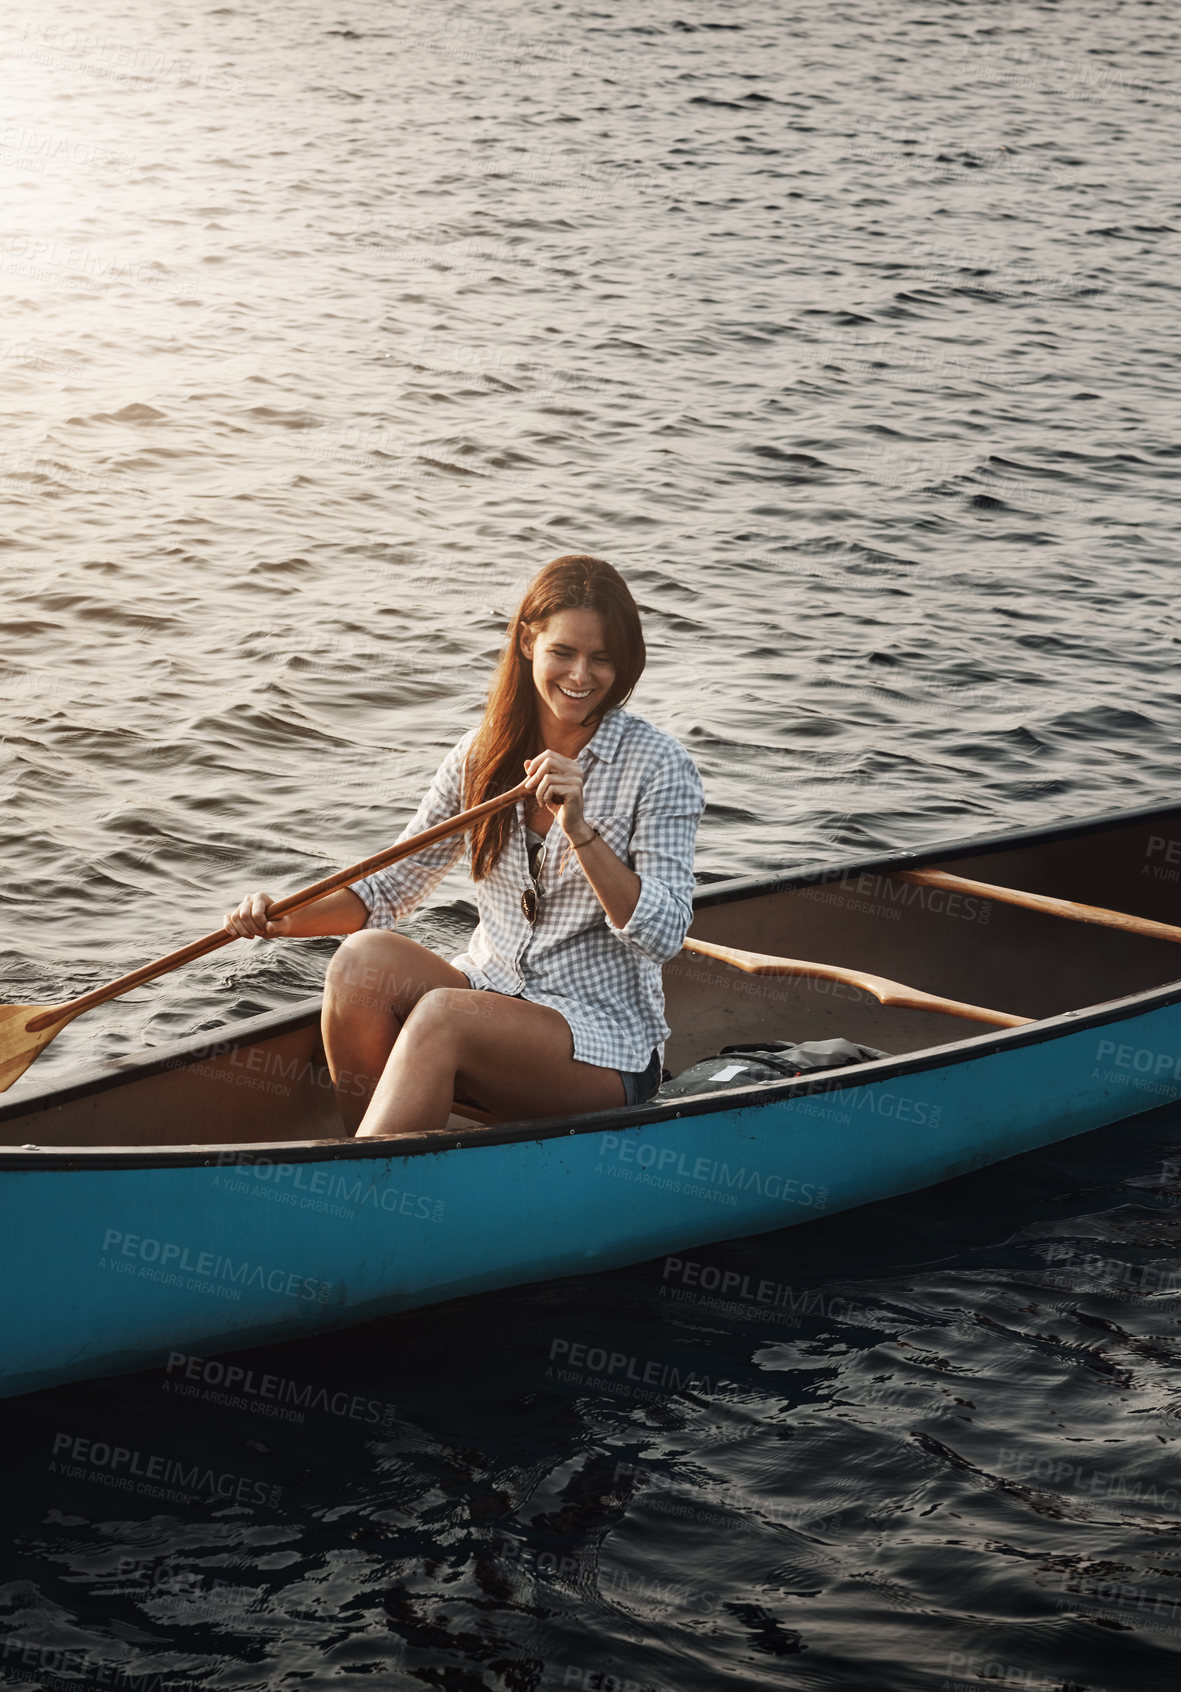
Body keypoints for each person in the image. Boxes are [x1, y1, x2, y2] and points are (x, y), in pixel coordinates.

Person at [222, 554, 706, 1138]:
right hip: (490, 995)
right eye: (564, 652)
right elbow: (388, 889)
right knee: (360, 962)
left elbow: (664, 935)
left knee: (445, 1016)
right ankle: (369, 1166)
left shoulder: (660, 766)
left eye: (602, 659)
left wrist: (580, 830)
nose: (582, 675)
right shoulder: (482, 754)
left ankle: (373, 1190)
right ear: (529, 642)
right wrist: (280, 920)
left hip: (603, 1051)